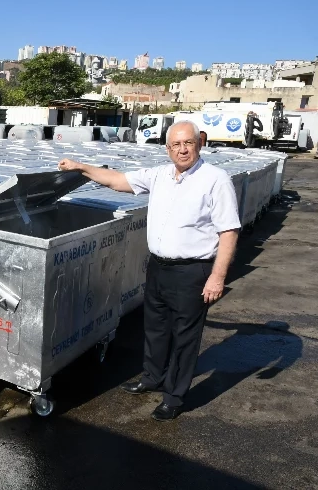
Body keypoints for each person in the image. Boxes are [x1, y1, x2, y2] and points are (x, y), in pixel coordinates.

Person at [58, 120, 240, 421]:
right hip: (158, 267)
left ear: (199, 144)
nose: (182, 150)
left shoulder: (215, 180)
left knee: (185, 336)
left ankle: (174, 396)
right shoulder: (160, 175)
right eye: (176, 145)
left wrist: (217, 277)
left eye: (188, 143)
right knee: (155, 328)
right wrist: (81, 167)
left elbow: (229, 231)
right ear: (167, 149)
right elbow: (117, 180)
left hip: (192, 271)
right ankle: (152, 377)